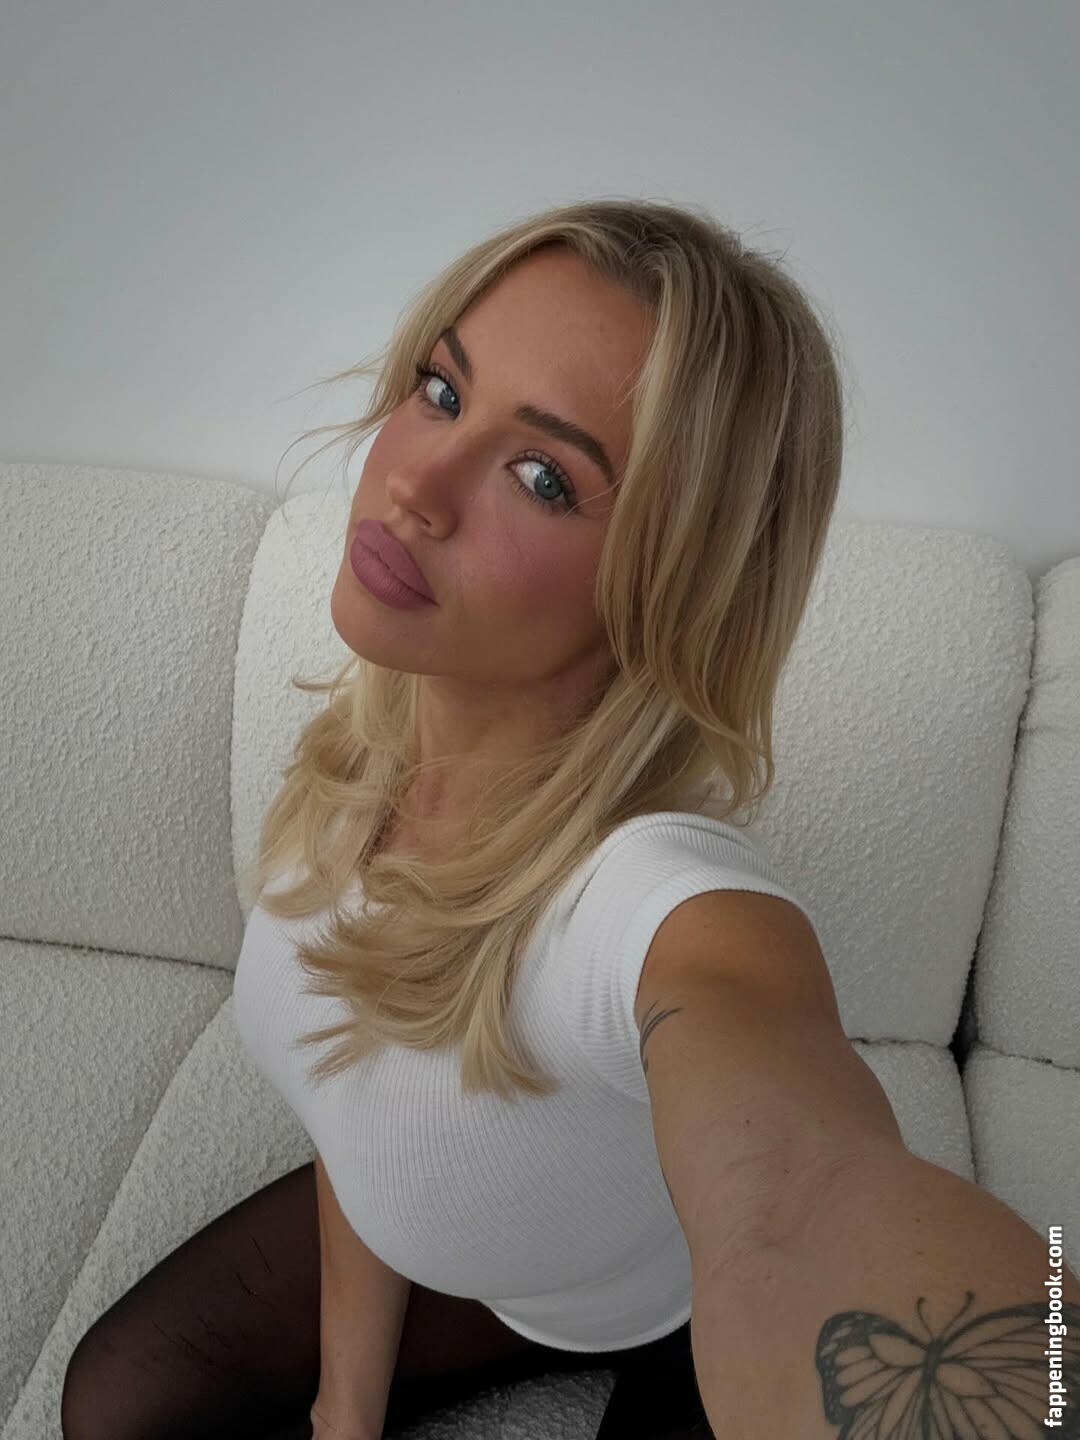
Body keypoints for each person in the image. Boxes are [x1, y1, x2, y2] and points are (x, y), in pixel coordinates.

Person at [60, 198, 844, 1439]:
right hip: (494, 1267)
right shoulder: (355, 760)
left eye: (544, 476)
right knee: (116, 1403)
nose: (412, 484)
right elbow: (356, 1116)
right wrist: (346, 1412)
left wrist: (1036, 1348)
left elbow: (819, 1161)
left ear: (671, 584)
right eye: (440, 391)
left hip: (692, 1310)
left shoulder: (653, 903)